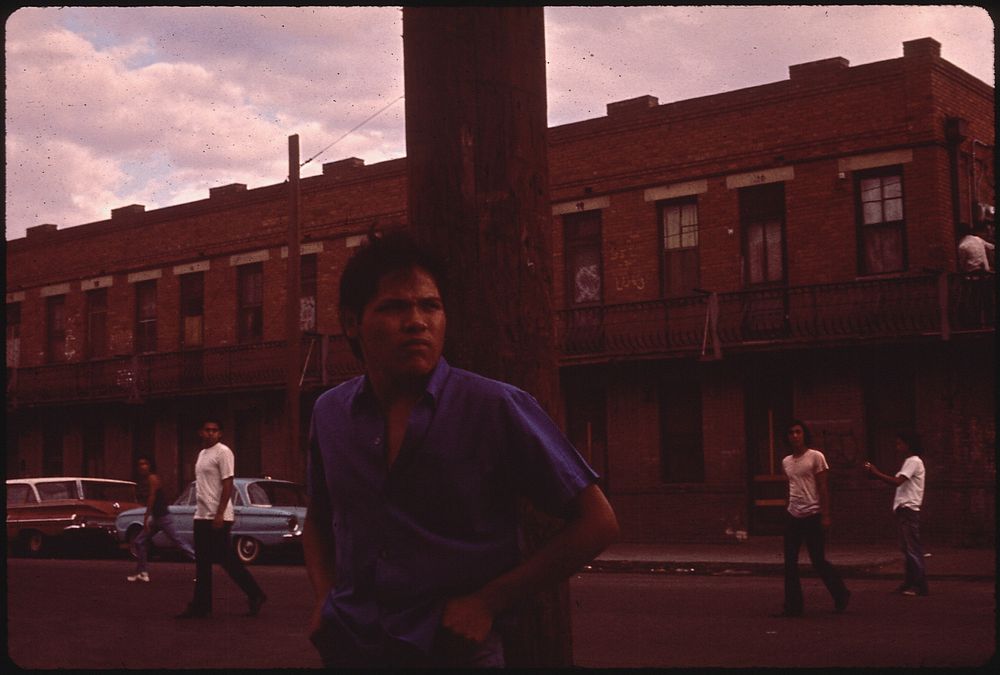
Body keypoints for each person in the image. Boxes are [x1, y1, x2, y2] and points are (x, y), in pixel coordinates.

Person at [303, 231, 620, 667]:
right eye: (394, 306)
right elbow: (318, 519)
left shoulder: (494, 406)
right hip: (353, 647)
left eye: (430, 306)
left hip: (454, 653)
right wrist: (324, 598)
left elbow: (598, 522)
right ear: (352, 322)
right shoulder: (329, 413)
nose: (417, 321)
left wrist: (488, 602)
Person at [176, 418, 266, 619]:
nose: (210, 433)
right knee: (203, 563)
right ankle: (201, 606)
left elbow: (228, 484)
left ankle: (255, 594)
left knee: (226, 560)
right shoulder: (201, 454)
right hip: (201, 515)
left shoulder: (223, 452)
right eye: (207, 430)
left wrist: (219, 513)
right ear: (201, 432)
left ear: (220, 433)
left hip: (218, 516)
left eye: (214, 430)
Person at [774, 420, 850, 617]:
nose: (795, 436)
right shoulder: (786, 461)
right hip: (793, 515)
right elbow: (789, 486)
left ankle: (841, 594)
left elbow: (823, 487)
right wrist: (787, 508)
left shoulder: (816, 457)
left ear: (804, 434)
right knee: (790, 562)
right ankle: (793, 606)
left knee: (818, 561)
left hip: (813, 514)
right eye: (791, 432)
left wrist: (826, 515)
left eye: (798, 432)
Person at [864, 431, 929, 596]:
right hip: (904, 509)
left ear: (908, 445)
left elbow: (897, 482)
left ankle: (920, 585)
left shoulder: (913, 461)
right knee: (907, 549)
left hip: (908, 509)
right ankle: (909, 582)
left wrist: (875, 472)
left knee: (912, 549)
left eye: (900, 443)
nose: (897, 446)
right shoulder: (911, 462)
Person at [127, 454, 195, 582]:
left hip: (163, 517)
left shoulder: (152, 478)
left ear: (150, 465)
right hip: (158, 518)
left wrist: (146, 518)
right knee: (139, 542)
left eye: (145, 463)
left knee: (179, 543)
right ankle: (142, 573)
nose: (142, 467)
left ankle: (202, 567)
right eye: (140, 464)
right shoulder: (147, 479)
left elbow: (151, 498)